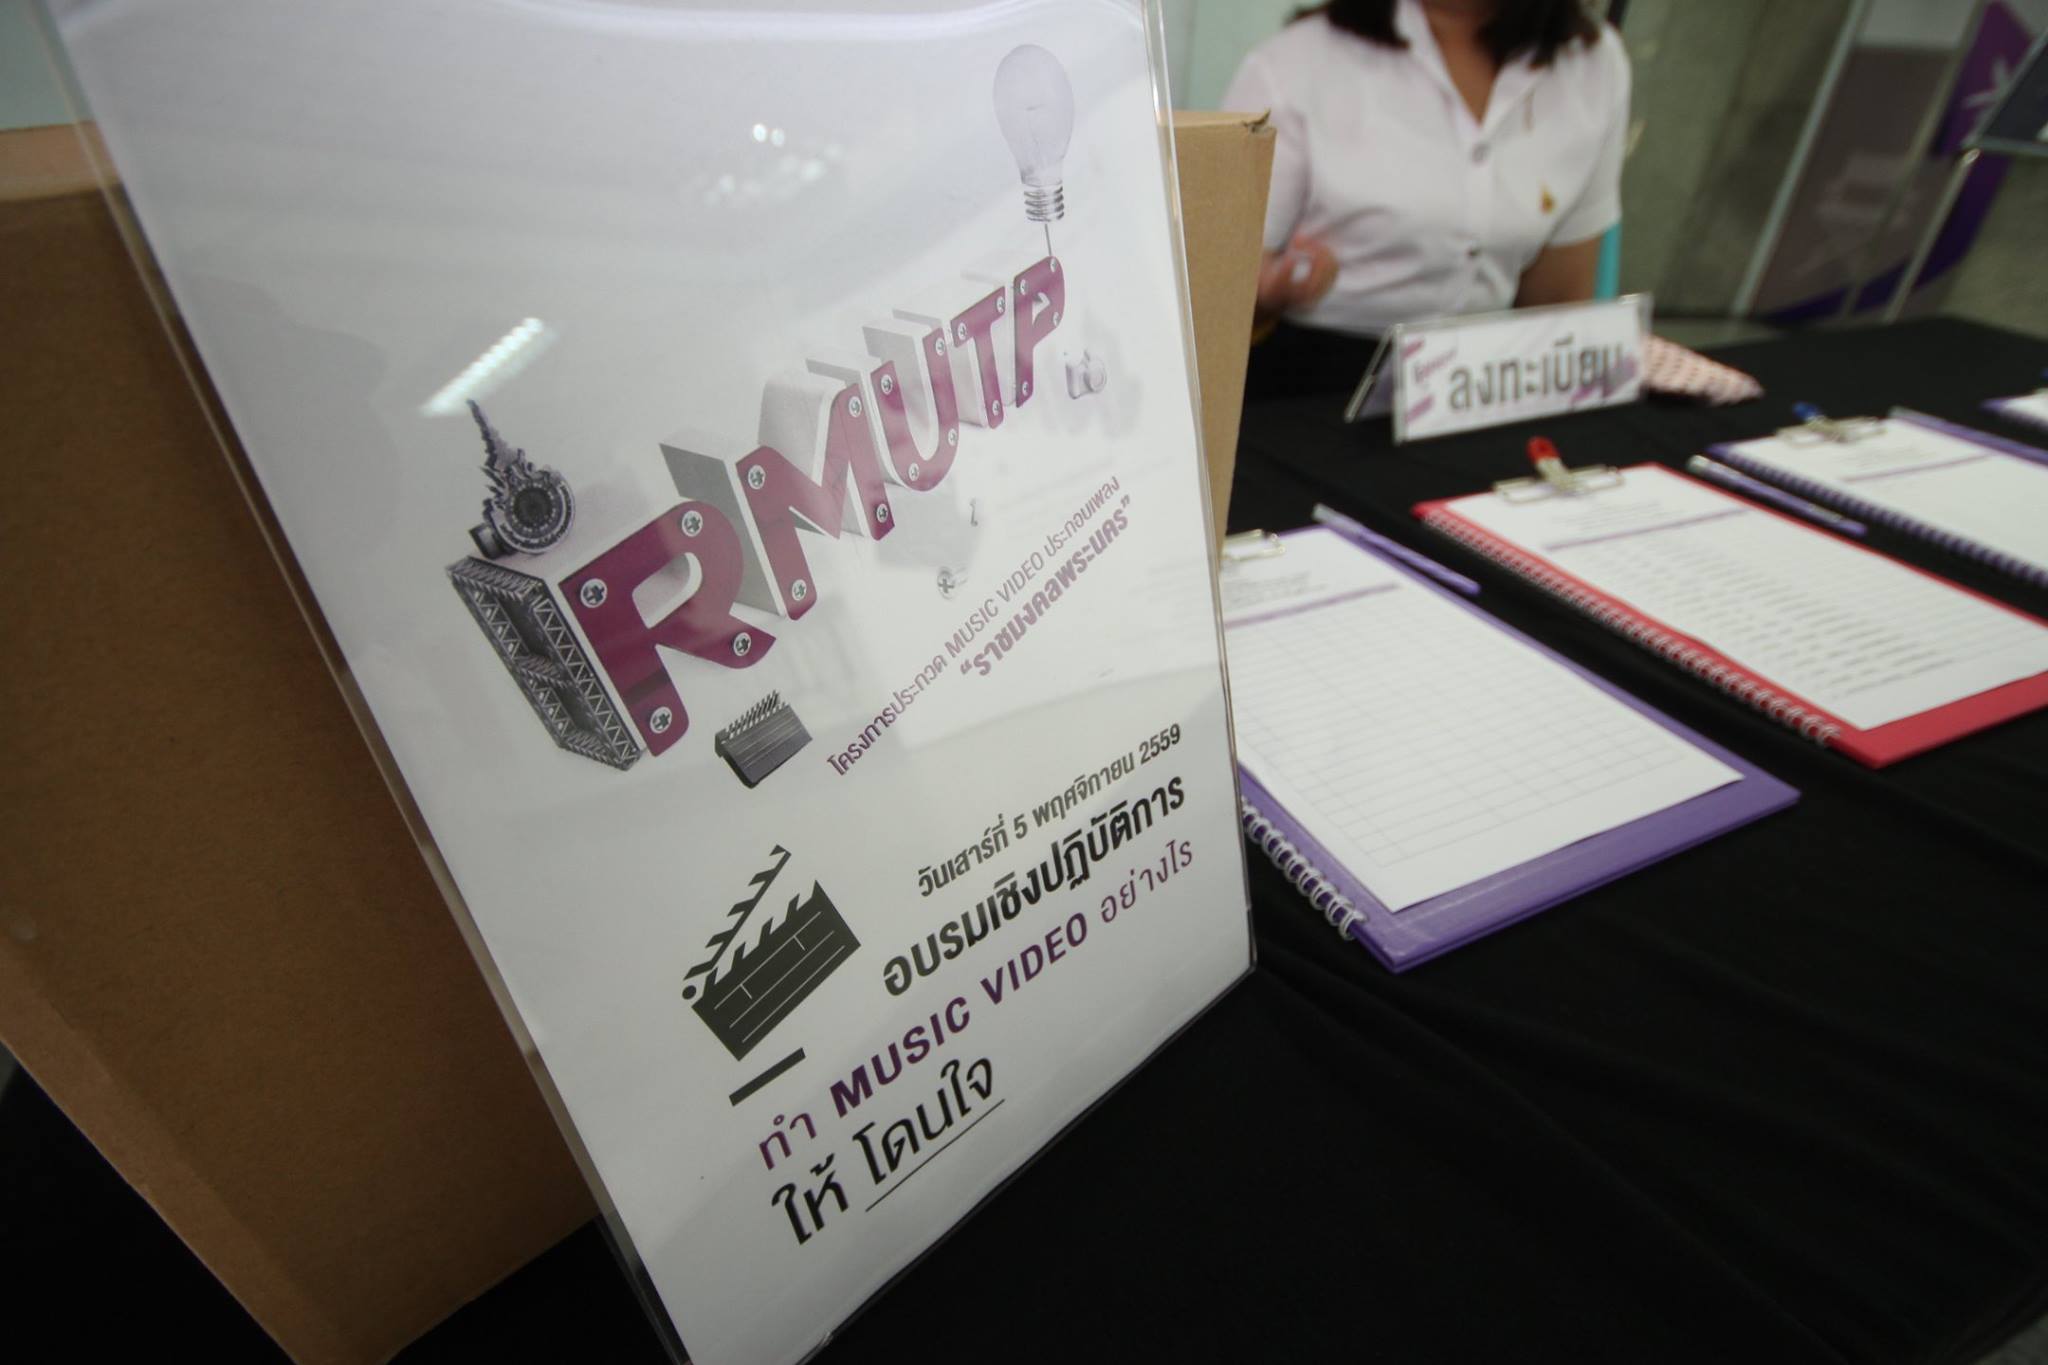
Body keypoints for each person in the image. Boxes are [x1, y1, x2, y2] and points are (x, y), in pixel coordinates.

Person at [1224, 0, 1631, 399]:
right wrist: (1271, 293)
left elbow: (1557, 304)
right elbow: (1213, 301)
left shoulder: (1592, 62)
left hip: (1485, 383)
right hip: (1314, 380)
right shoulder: (1292, 64)